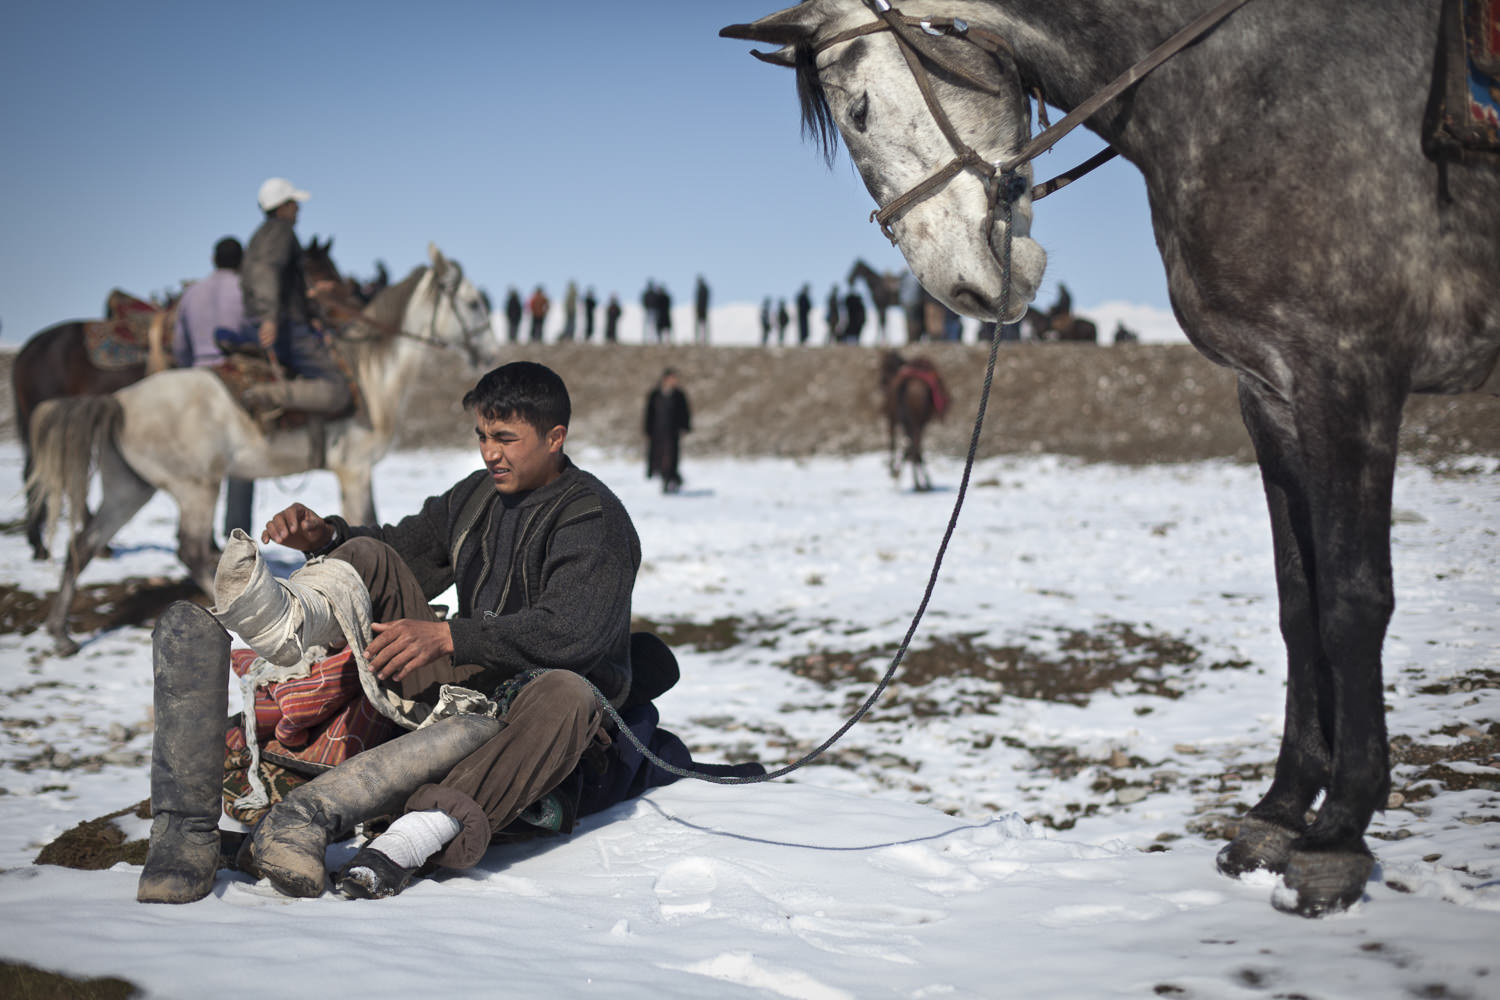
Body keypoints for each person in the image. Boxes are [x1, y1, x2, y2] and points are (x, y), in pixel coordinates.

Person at [136, 361, 754, 905]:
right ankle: (289, 632)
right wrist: (326, 536)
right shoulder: (478, 495)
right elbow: (401, 549)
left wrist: (450, 639)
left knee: (568, 691)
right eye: (483, 436)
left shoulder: (592, 518)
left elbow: (573, 634)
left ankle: (413, 837)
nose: (491, 452)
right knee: (371, 557)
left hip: (543, 705)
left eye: (507, 438)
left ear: (556, 438)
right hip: (464, 681)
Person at [239, 178, 351, 429]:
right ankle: (266, 395)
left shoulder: (261, 236)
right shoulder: (281, 232)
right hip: (286, 327)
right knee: (338, 389)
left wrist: (309, 306)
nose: (298, 209)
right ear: (281, 207)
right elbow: (266, 272)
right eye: (293, 203)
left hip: (284, 320)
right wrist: (269, 317)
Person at [173, 236, 254, 538]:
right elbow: (253, 332)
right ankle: (236, 533)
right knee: (242, 458)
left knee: (197, 465)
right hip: (234, 380)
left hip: (197, 380)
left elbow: (179, 345)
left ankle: (194, 534)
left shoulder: (191, 294)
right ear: (241, 260)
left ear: (212, 258)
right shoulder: (245, 290)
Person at [643, 368, 691, 494]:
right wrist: (648, 429)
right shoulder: (655, 394)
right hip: (658, 432)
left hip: (672, 432)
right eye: (672, 378)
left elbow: (684, 412)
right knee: (659, 458)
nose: (674, 381)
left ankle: (671, 479)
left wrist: (685, 427)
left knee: (671, 459)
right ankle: (667, 479)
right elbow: (649, 413)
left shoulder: (679, 395)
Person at [693, 275, 710, 344]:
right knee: (702, 325)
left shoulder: (702, 289)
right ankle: (700, 339)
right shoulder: (702, 289)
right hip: (702, 309)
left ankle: (702, 339)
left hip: (702, 309)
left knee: (702, 325)